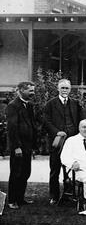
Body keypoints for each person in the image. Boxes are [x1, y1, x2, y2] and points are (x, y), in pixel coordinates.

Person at [44, 79, 81, 205]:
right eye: (63, 88)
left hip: (71, 142)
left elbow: (80, 121)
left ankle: (68, 195)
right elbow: (46, 121)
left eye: (67, 88)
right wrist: (57, 132)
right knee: (55, 169)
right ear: (58, 89)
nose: (65, 90)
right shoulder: (50, 104)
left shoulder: (75, 103)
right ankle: (54, 196)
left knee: (69, 170)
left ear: (70, 89)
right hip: (57, 141)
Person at [6, 81, 37, 209]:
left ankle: (20, 198)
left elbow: (32, 126)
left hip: (28, 146)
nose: (33, 93)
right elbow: (12, 129)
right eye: (30, 91)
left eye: (33, 90)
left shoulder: (29, 105)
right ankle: (12, 200)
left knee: (25, 172)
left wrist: (33, 146)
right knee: (16, 173)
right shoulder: (13, 106)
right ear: (21, 90)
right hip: (18, 147)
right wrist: (17, 147)